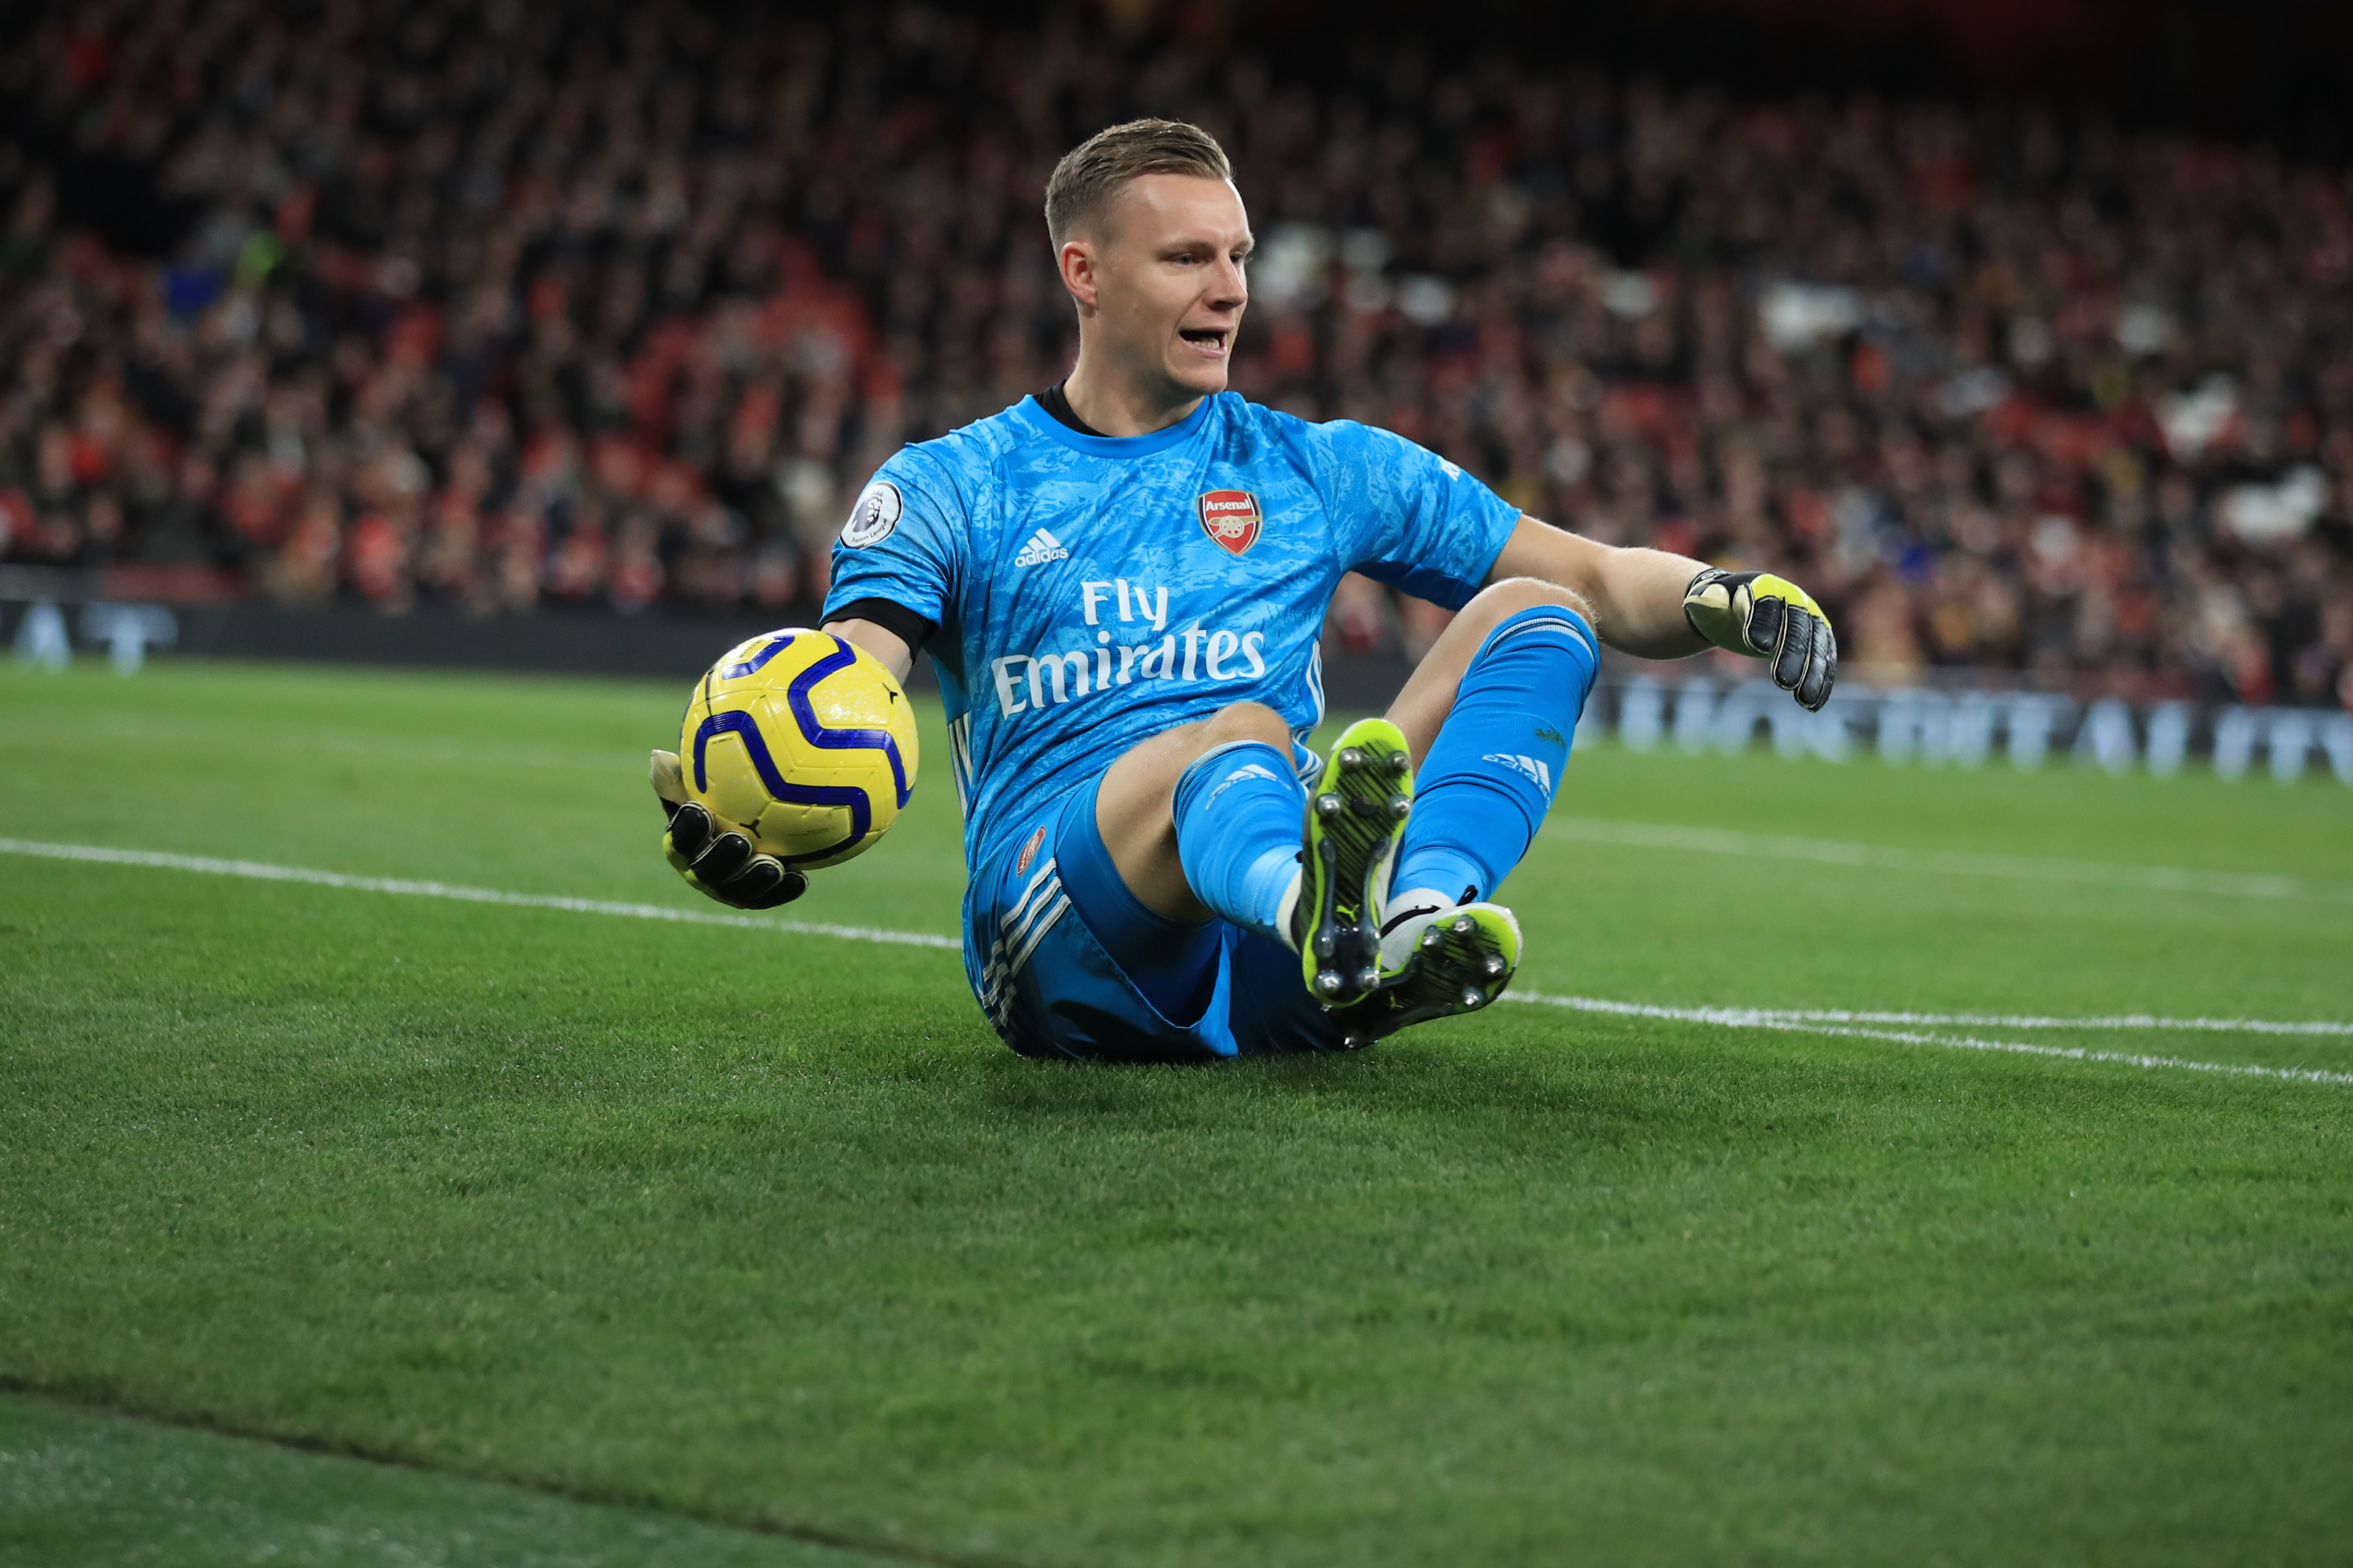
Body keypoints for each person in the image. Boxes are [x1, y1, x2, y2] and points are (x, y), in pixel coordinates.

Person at [649, 120, 1835, 1063]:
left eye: (1238, 256)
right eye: (1186, 258)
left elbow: (1592, 571)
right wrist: (761, 797)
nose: (1230, 289)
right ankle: (1320, 910)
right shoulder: (957, 483)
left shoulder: (1314, 467)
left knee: (1540, 614)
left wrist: (1728, 597)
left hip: (1269, 914)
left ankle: (1405, 917)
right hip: (1063, 934)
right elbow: (858, 661)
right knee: (1239, 731)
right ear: (1086, 273)